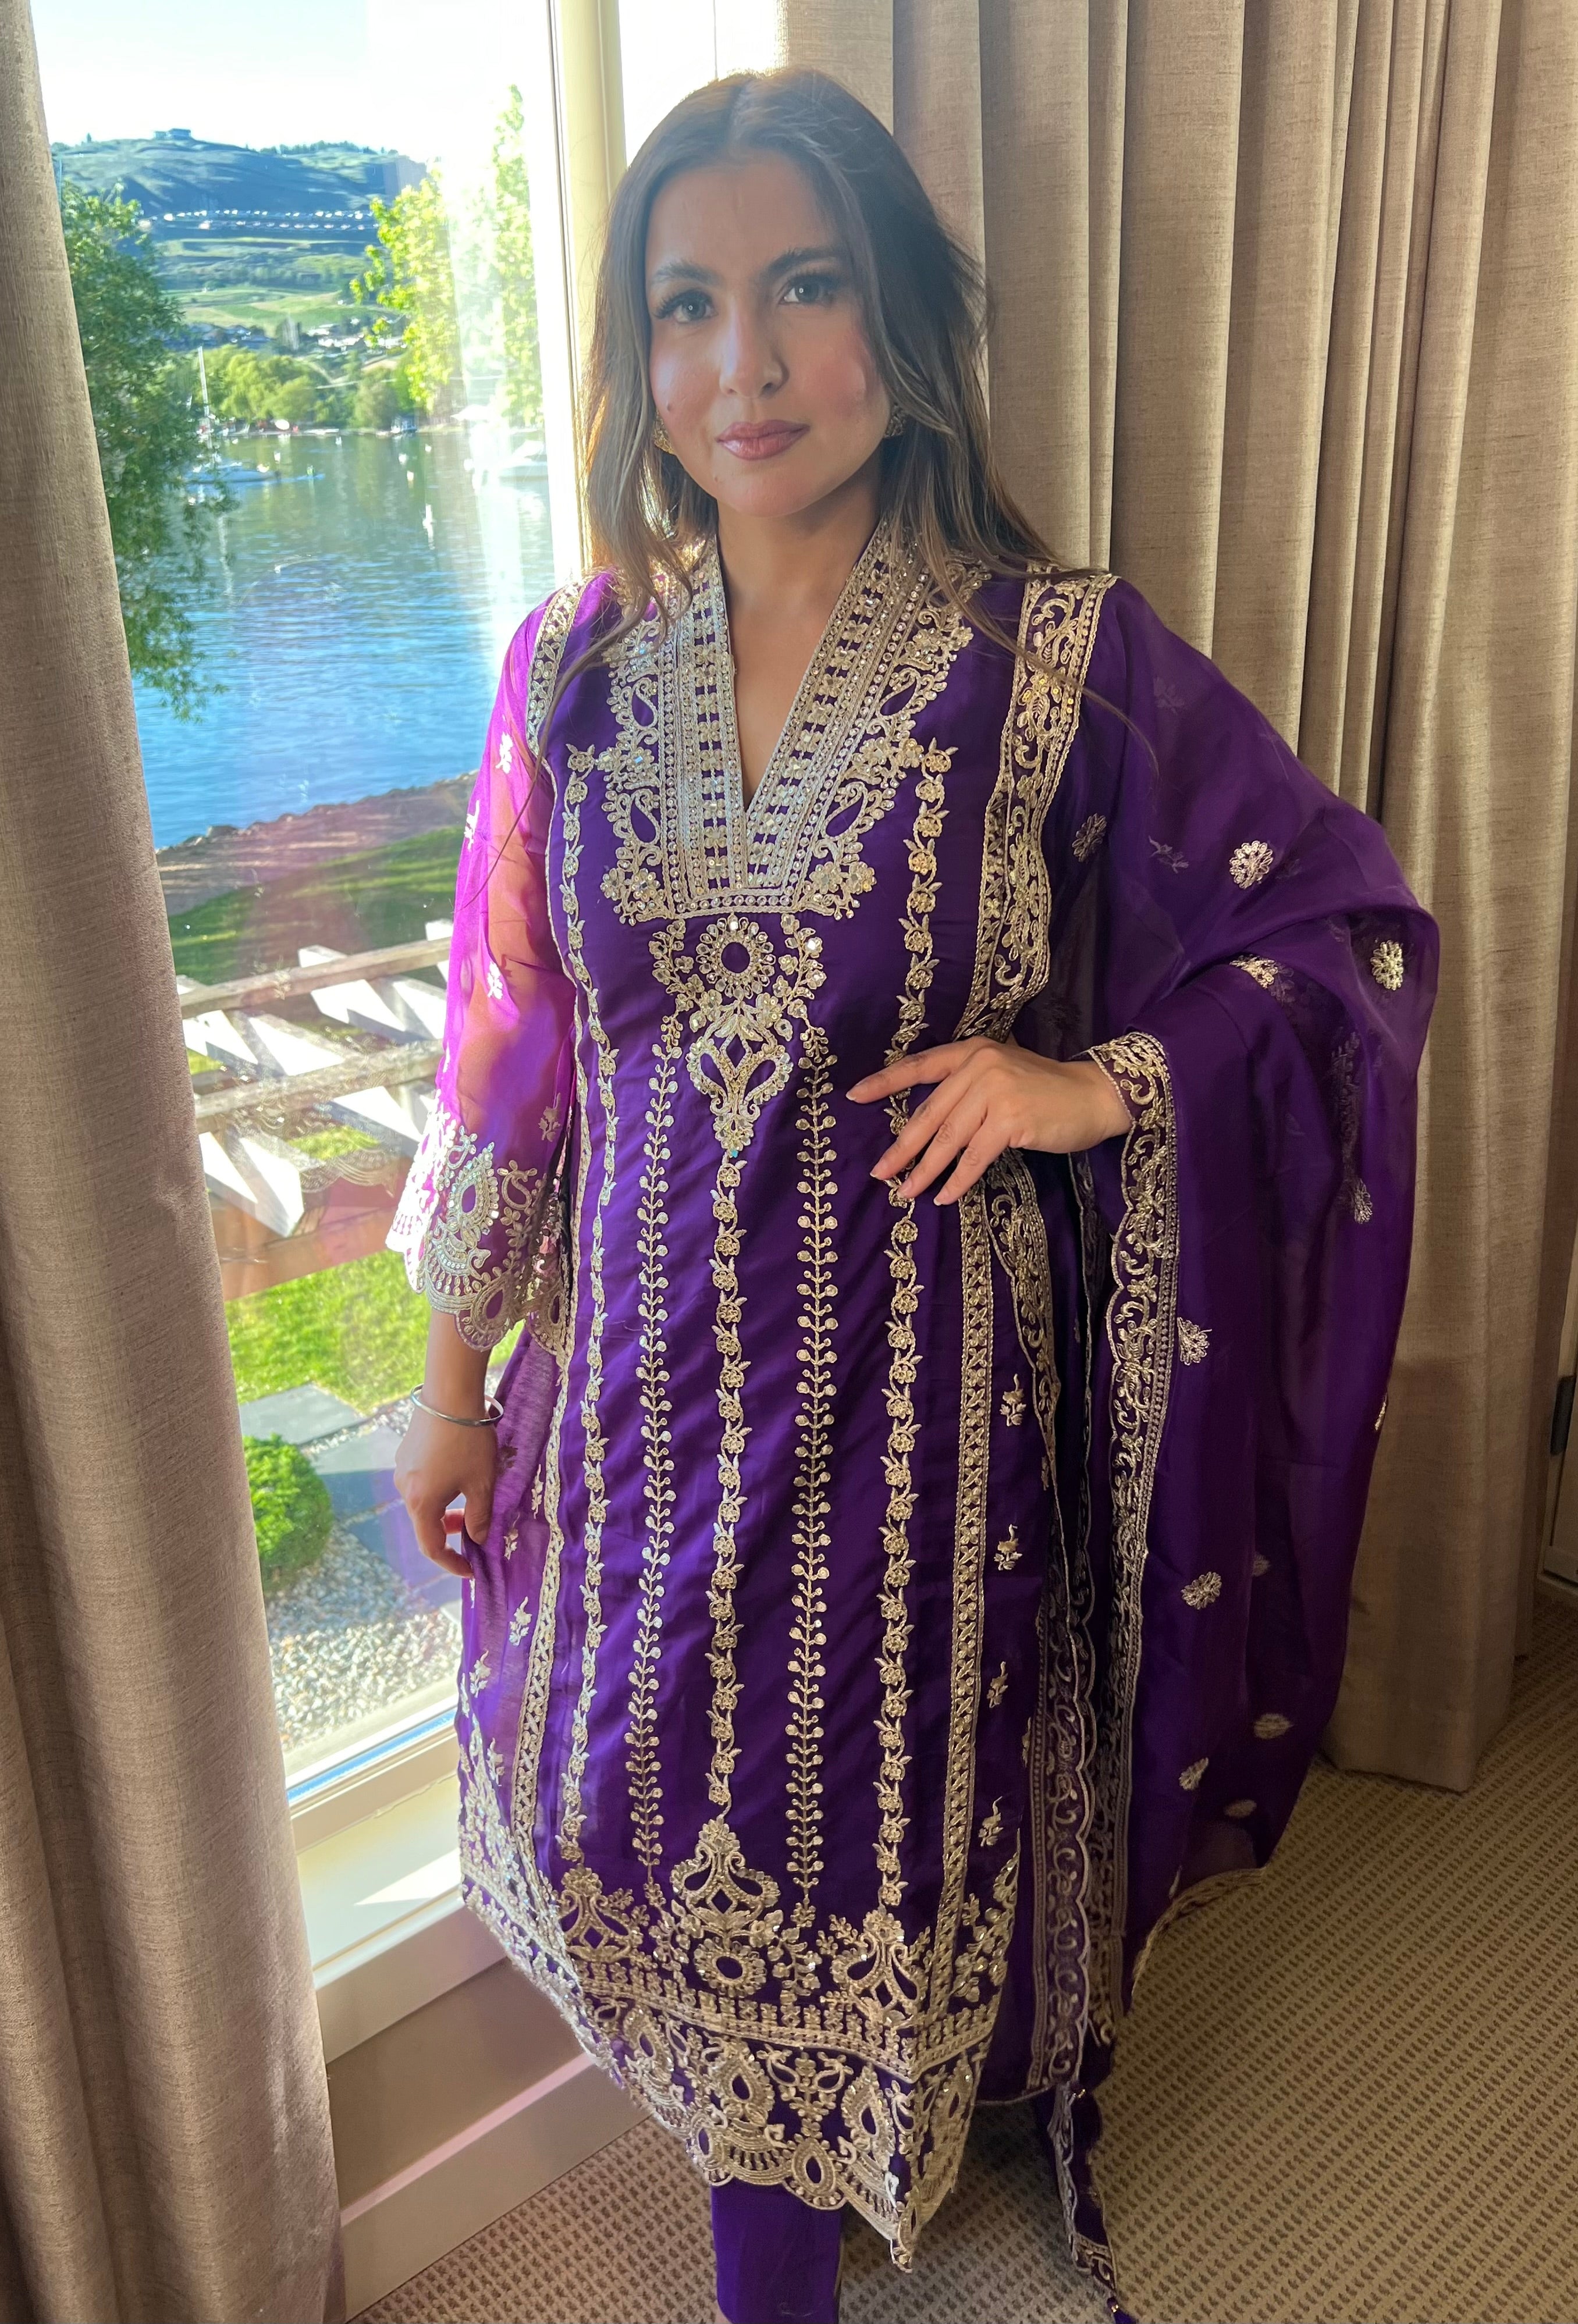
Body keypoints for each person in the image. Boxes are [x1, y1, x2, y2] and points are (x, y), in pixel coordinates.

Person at [390, 67, 1435, 2324]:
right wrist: (453, 1384)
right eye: (685, 306)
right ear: (634, 352)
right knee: (631, 1811)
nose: (743, 364)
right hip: (632, 1406)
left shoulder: (1052, 664)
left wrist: (1093, 1087)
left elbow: (1331, 932)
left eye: (805, 289)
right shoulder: (573, 673)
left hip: (911, 1418)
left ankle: (788, 2253)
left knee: (866, 1825)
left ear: (902, 323)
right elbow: (515, 1049)